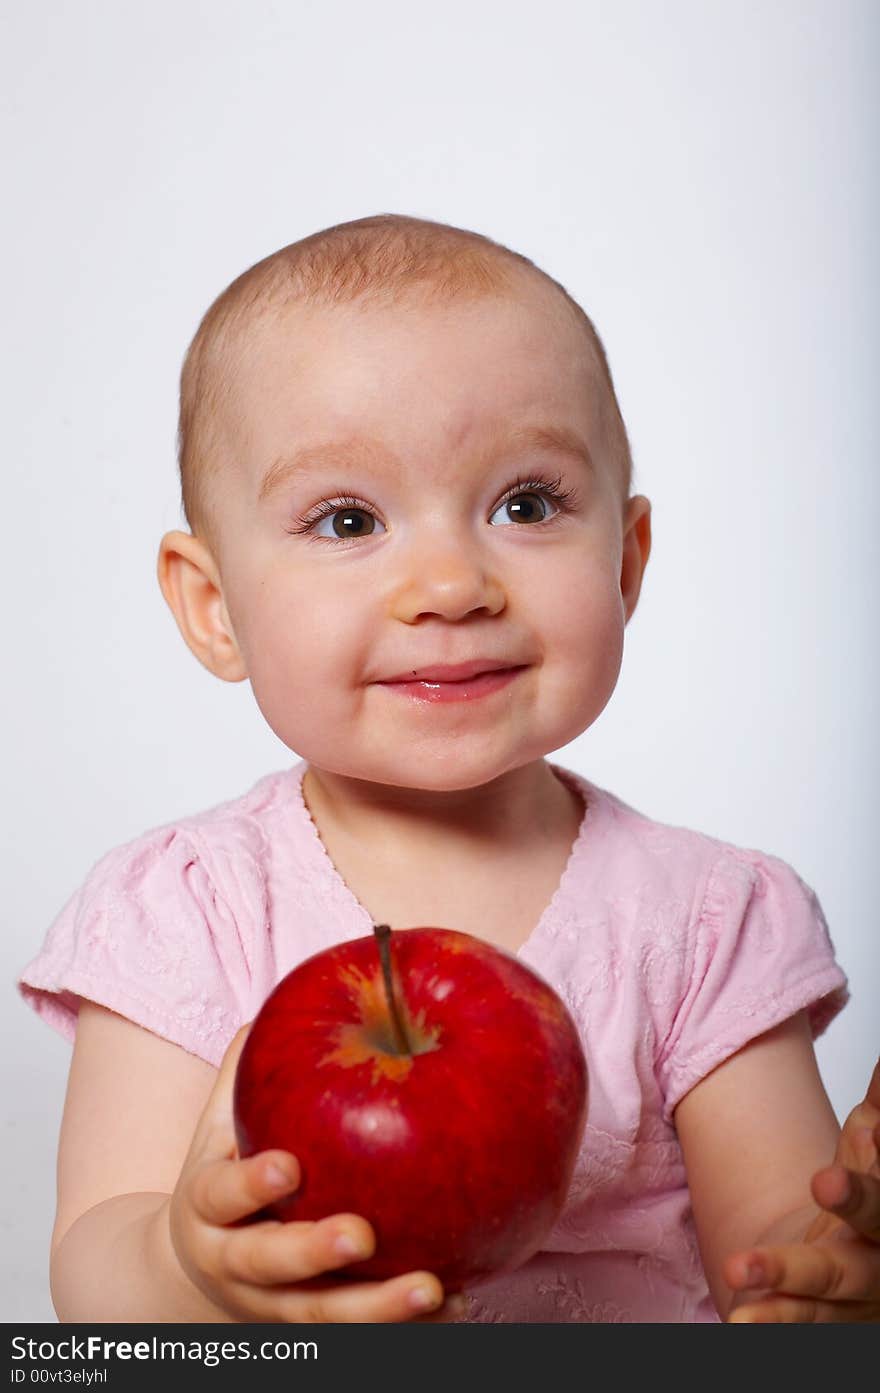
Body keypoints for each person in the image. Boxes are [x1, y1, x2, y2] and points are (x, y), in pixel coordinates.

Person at [19, 213, 879, 1325]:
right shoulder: (183, 910)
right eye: (347, 519)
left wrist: (838, 1265)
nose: (449, 583)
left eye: (525, 505)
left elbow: (770, 1263)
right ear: (212, 607)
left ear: (624, 563)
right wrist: (190, 1265)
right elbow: (93, 1276)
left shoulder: (710, 920)